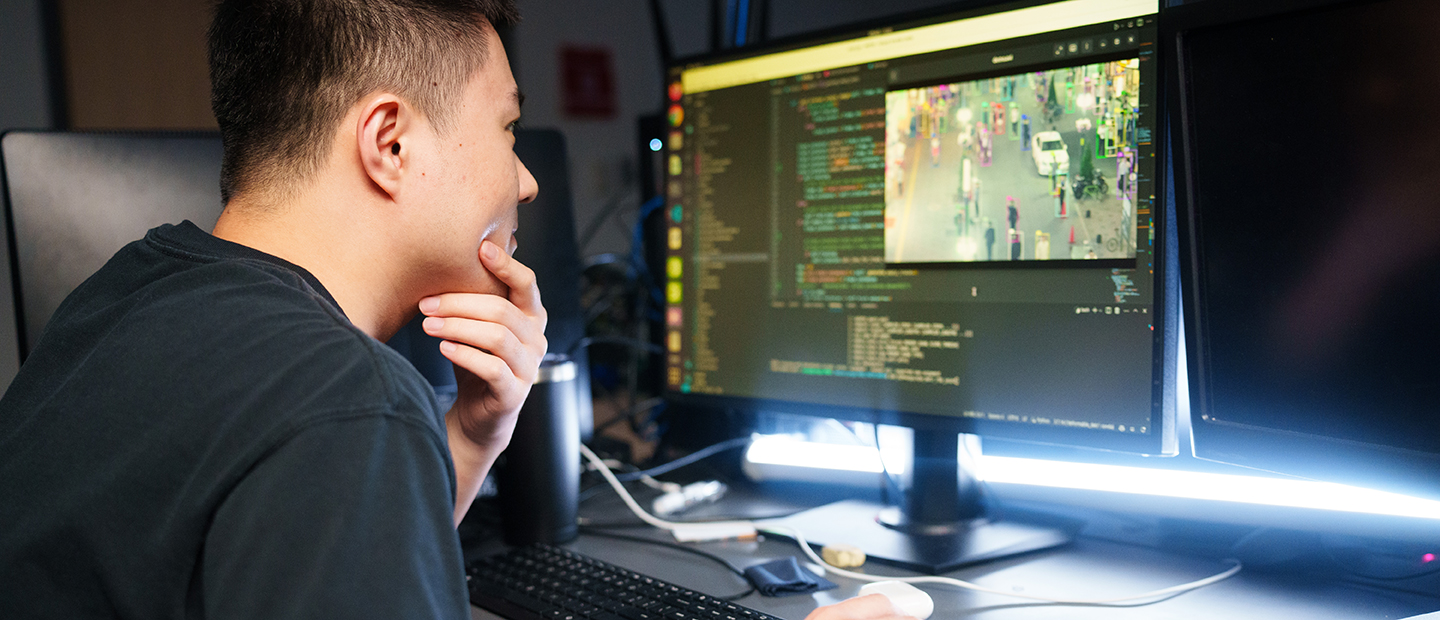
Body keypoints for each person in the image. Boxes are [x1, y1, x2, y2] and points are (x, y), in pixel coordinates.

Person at [0, 2, 913, 620]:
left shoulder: (128, 290)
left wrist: (474, 434)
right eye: (508, 128)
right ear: (390, 143)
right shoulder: (343, 396)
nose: (526, 179)